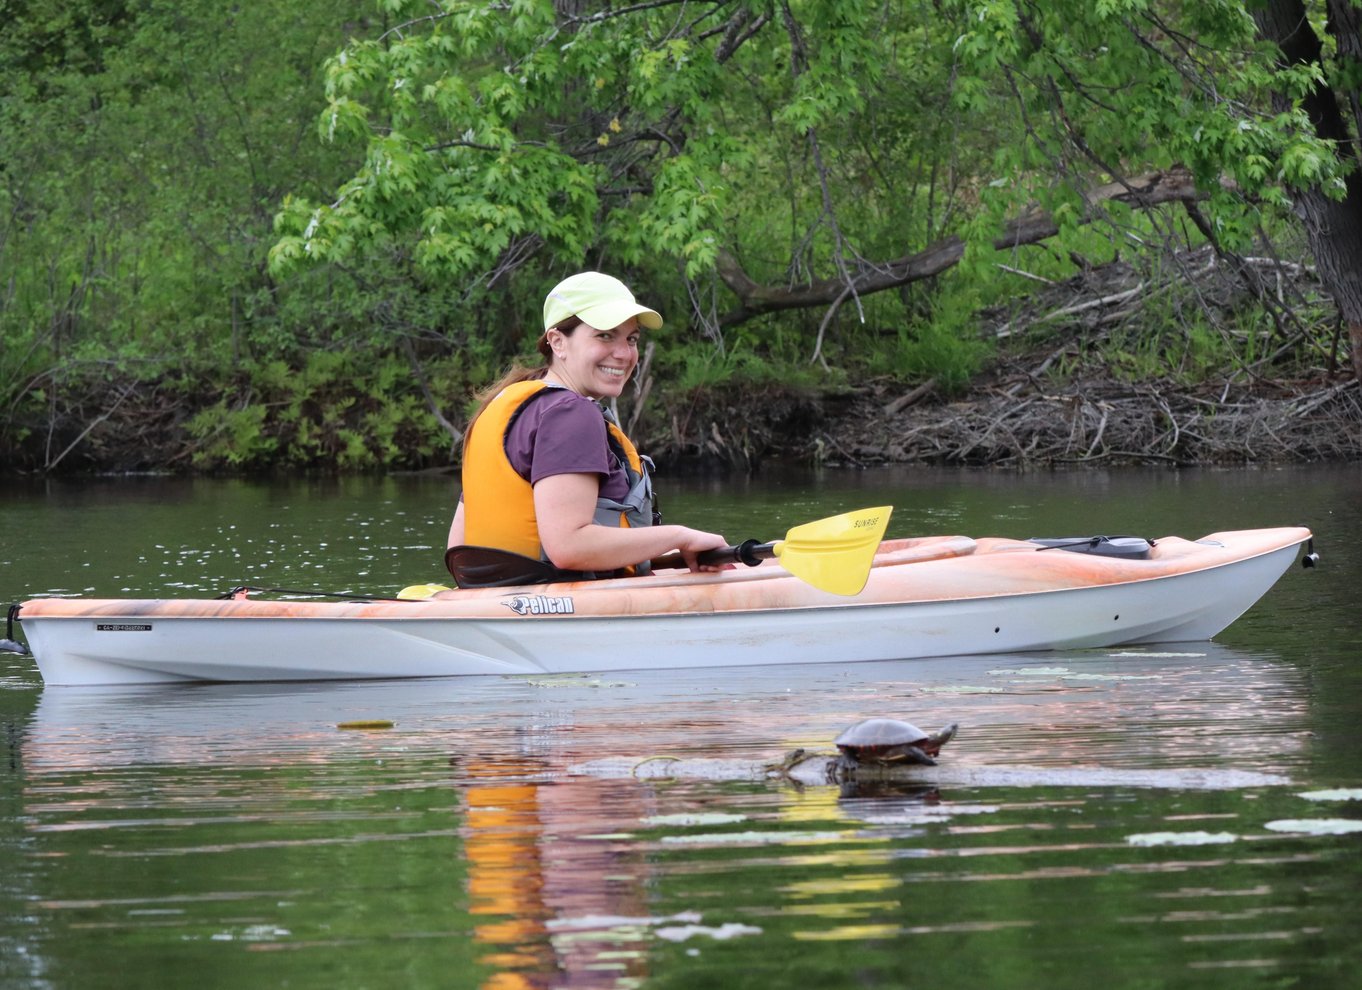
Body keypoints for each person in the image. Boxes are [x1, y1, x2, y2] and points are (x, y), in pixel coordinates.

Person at [446, 271, 729, 586]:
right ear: (557, 342)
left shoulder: (504, 406)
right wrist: (680, 537)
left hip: (489, 594)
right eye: (605, 335)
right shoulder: (571, 414)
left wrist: (670, 552)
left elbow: (459, 548)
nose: (624, 353)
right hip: (561, 603)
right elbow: (568, 548)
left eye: (631, 338)